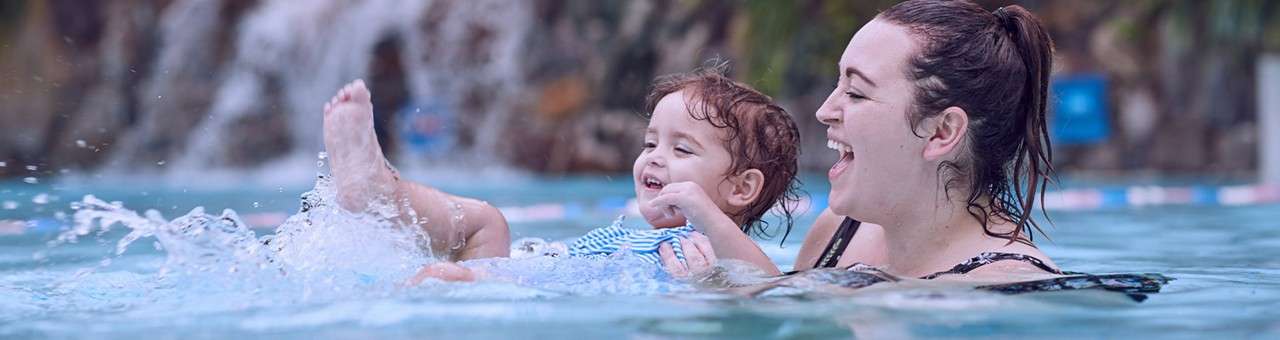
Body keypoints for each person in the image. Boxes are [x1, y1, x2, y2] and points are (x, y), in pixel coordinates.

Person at [662, 0, 1063, 281]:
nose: (825, 110)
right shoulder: (839, 230)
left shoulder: (1008, 285)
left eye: (855, 93)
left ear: (942, 132)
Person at [320, 66, 804, 283]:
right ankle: (377, 190)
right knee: (486, 220)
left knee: (457, 266)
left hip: (528, 290)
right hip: (532, 271)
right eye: (650, 143)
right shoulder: (633, 234)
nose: (654, 158)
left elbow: (762, 283)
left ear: (742, 187)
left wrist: (705, 215)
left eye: (681, 149)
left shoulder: (705, 251)